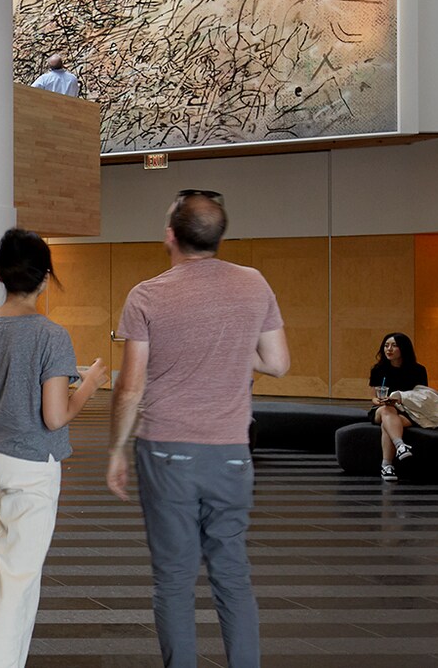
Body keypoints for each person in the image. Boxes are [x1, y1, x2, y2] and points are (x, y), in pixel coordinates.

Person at [106, 192, 289, 668]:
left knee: (173, 578)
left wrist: (116, 451)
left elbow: (130, 386)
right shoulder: (254, 284)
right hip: (231, 452)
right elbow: (278, 363)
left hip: (166, 450)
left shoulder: (147, 294)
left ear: (171, 234)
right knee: (232, 574)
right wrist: (228, 346)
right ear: (218, 236)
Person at [0, 230, 108, 668]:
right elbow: (55, 416)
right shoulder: (52, 336)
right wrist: (89, 385)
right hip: (29, 465)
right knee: (17, 583)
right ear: (46, 278)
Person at [369, 331, 432, 480]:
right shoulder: (378, 369)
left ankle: (387, 466)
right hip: (382, 409)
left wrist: (399, 400)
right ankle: (400, 446)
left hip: (408, 411)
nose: (388, 349)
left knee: (388, 424)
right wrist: (379, 401)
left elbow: (421, 396)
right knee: (387, 410)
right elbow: (373, 397)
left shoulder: (418, 370)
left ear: (404, 348)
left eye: (394, 346)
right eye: (386, 346)